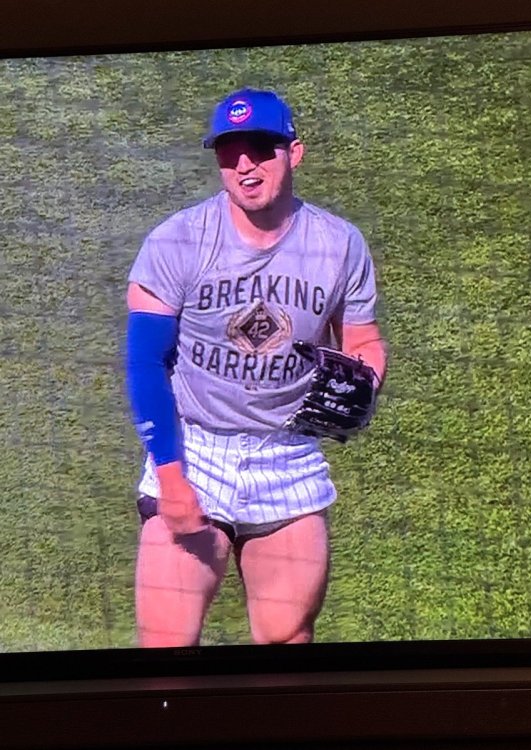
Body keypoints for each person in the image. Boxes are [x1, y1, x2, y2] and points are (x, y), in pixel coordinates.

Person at [126, 87, 387, 648]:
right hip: (195, 451)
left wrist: (366, 377)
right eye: (229, 151)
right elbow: (145, 363)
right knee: (165, 646)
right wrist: (170, 476)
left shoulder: (339, 244)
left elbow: (362, 339)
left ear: (295, 153)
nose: (245, 165)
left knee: (286, 639)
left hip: (286, 455)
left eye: (261, 149)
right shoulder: (177, 241)